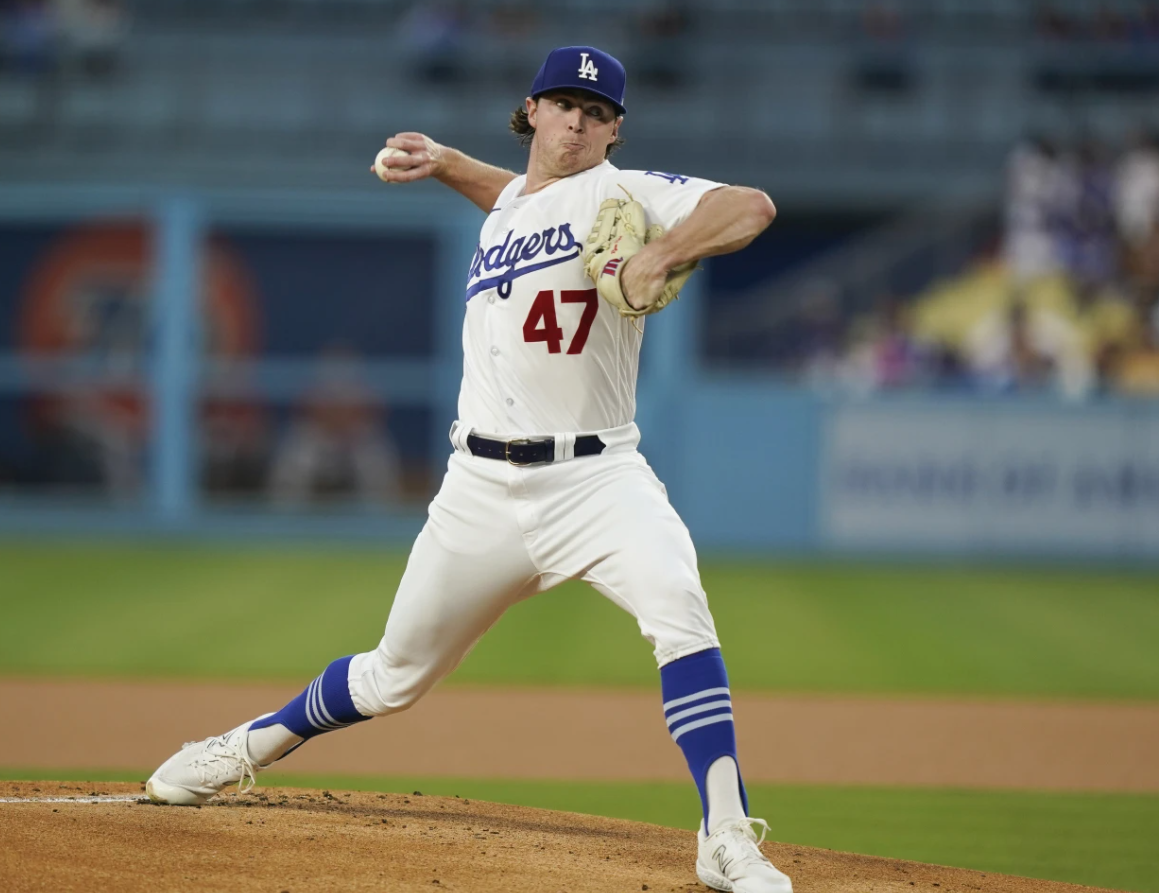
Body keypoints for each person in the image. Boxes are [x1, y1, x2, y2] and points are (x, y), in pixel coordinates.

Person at [145, 45, 786, 893]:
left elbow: (752, 206)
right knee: (391, 675)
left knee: (681, 609)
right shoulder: (514, 204)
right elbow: (511, 196)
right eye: (564, 104)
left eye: (597, 113)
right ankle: (241, 747)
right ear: (533, 110)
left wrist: (660, 257)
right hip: (480, 488)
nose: (578, 122)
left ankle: (726, 833)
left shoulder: (626, 193)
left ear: (615, 130)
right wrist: (447, 161)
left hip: (599, 477)